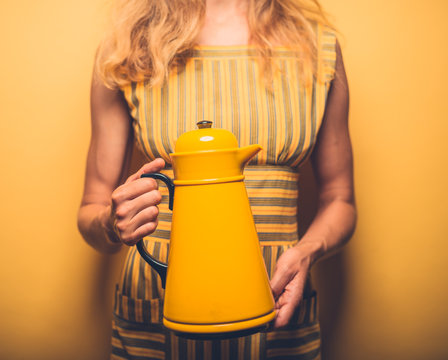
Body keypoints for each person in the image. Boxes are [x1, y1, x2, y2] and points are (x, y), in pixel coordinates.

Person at [77, 0, 356, 358]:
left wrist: (306, 253)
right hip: (160, 298)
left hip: (277, 297)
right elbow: (92, 207)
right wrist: (111, 224)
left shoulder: (317, 47)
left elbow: (340, 198)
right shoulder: (128, 48)